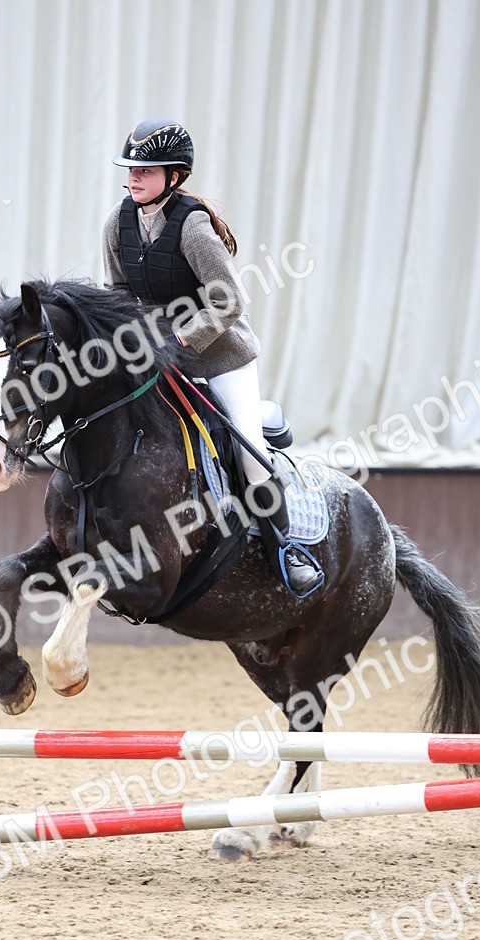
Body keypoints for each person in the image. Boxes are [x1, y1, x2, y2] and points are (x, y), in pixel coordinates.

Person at [102, 117, 322, 598]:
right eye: (131, 170)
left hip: (220, 358)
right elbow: (118, 291)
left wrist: (178, 340)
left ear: (174, 176)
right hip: (158, 359)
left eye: (147, 170)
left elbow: (229, 301)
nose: (134, 177)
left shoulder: (194, 228)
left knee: (251, 459)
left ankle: (286, 550)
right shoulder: (117, 224)